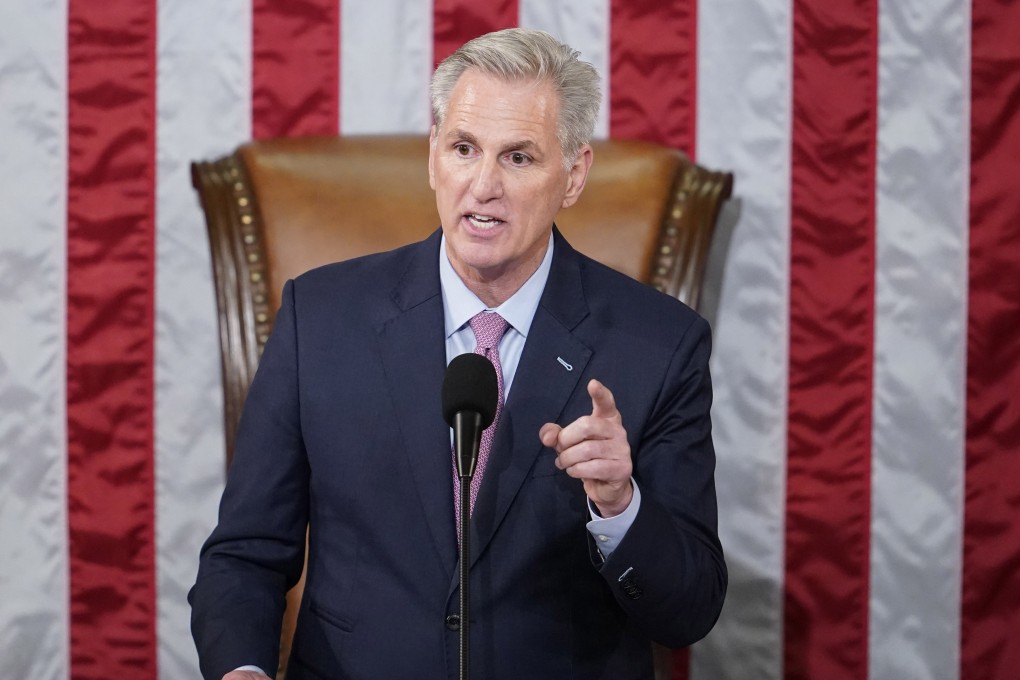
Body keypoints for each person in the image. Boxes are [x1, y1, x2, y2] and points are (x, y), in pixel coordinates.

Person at [190, 27, 726, 680]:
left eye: (519, 158)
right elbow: (245, 555)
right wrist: (241, 671)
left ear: (574, 175)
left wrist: (620, 503)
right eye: (464, 148)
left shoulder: (657, 346)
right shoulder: (321, 319)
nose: (483, 185)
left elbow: (689, 611)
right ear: (433, 158)